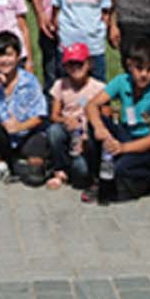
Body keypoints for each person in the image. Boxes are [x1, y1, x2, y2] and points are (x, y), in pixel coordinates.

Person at [84, 37, 150, 203]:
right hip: (128, 133)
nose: (144, 75)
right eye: (139, 68)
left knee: (121, 170)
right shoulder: (122, 81)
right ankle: (98, 179)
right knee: (96, 122)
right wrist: (100, 129)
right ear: (129, 65)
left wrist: (123, 148)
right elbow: (91, 105)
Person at [0, 31, 50, 187]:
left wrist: (19, 127)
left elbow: (40, 115)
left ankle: (22, 163)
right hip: (5, 133)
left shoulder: (29, 81)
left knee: (34, 179)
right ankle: (0, 165)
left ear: (18, 56)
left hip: (29, 132)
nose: (4, 61)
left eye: (8, 55)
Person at [45, 42, 105, 189]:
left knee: (81, 173)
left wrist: (89, 126)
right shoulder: (60, 85)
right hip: (68, 130)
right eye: (70, 64)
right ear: (65, 67)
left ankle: (89, 171)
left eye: (80, 63)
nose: (75, 68)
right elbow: (54, 115)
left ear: (89, 64)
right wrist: (66, 120)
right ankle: (60, 170)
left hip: (87, 134)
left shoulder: (98, 87)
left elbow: (105, 116)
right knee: (54, 131)